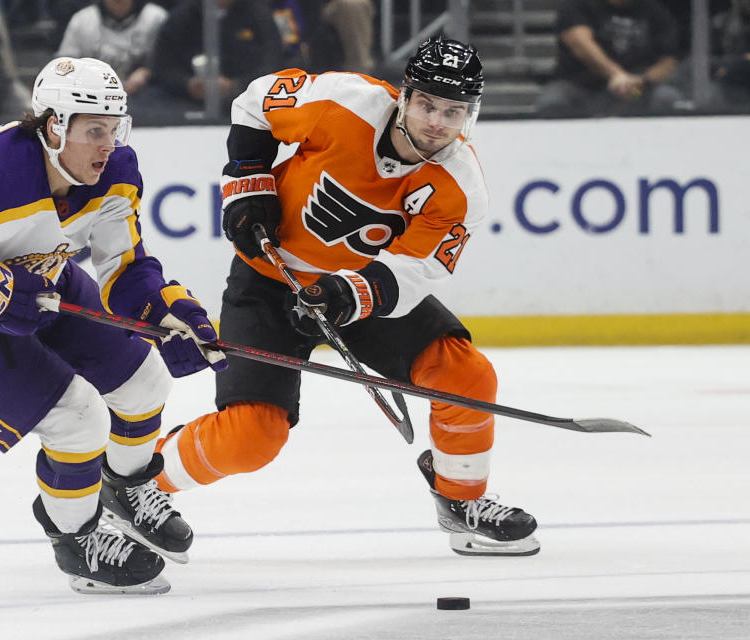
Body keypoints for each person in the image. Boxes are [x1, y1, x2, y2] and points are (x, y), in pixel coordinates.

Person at [152, 36, 540, 557]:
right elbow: (256, 101)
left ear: (471, 114)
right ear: (404, 96)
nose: (435, 122)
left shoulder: (461, 186)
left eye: (453, 111)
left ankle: (460, 498)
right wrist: (249, 182)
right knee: (251, 438)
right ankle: (138, 482)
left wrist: (346, 294)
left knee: (466, 376)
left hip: (357, 294)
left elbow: (415, 270)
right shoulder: (344, 101)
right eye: (426, 103)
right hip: (269, 281)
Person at [0, 57, 227, 594]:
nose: (108, 145)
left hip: (40, 281)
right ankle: (76, 539)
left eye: (114, 128)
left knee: (145, 379)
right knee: (78, 418)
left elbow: (126, 267)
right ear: (52, 125)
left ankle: (125, 486)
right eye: (93, 131)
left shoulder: (116, 171)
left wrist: (164, 311)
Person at [130, 0, 283, 124]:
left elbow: (273, 63)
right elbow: (162, 65)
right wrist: (187, 84)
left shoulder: (258, 14)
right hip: (184, 101)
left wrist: (236, 85)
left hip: (245, 100)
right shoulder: (184, 14)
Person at [535, 0, 684, 116]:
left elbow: (668, 61)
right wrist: (616, 74)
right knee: (553, 99)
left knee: (667, 97)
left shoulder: (655, 11)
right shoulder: (578, 5)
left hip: (634, 91)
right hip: (580, 87)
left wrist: (641, 81)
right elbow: (580, 44)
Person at [56, 0, 168, 96]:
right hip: (90, 95)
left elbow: (170, 64)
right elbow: (63, 65)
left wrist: (147, 71)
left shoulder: (156, 17)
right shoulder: (82, 19)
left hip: (142, 95)